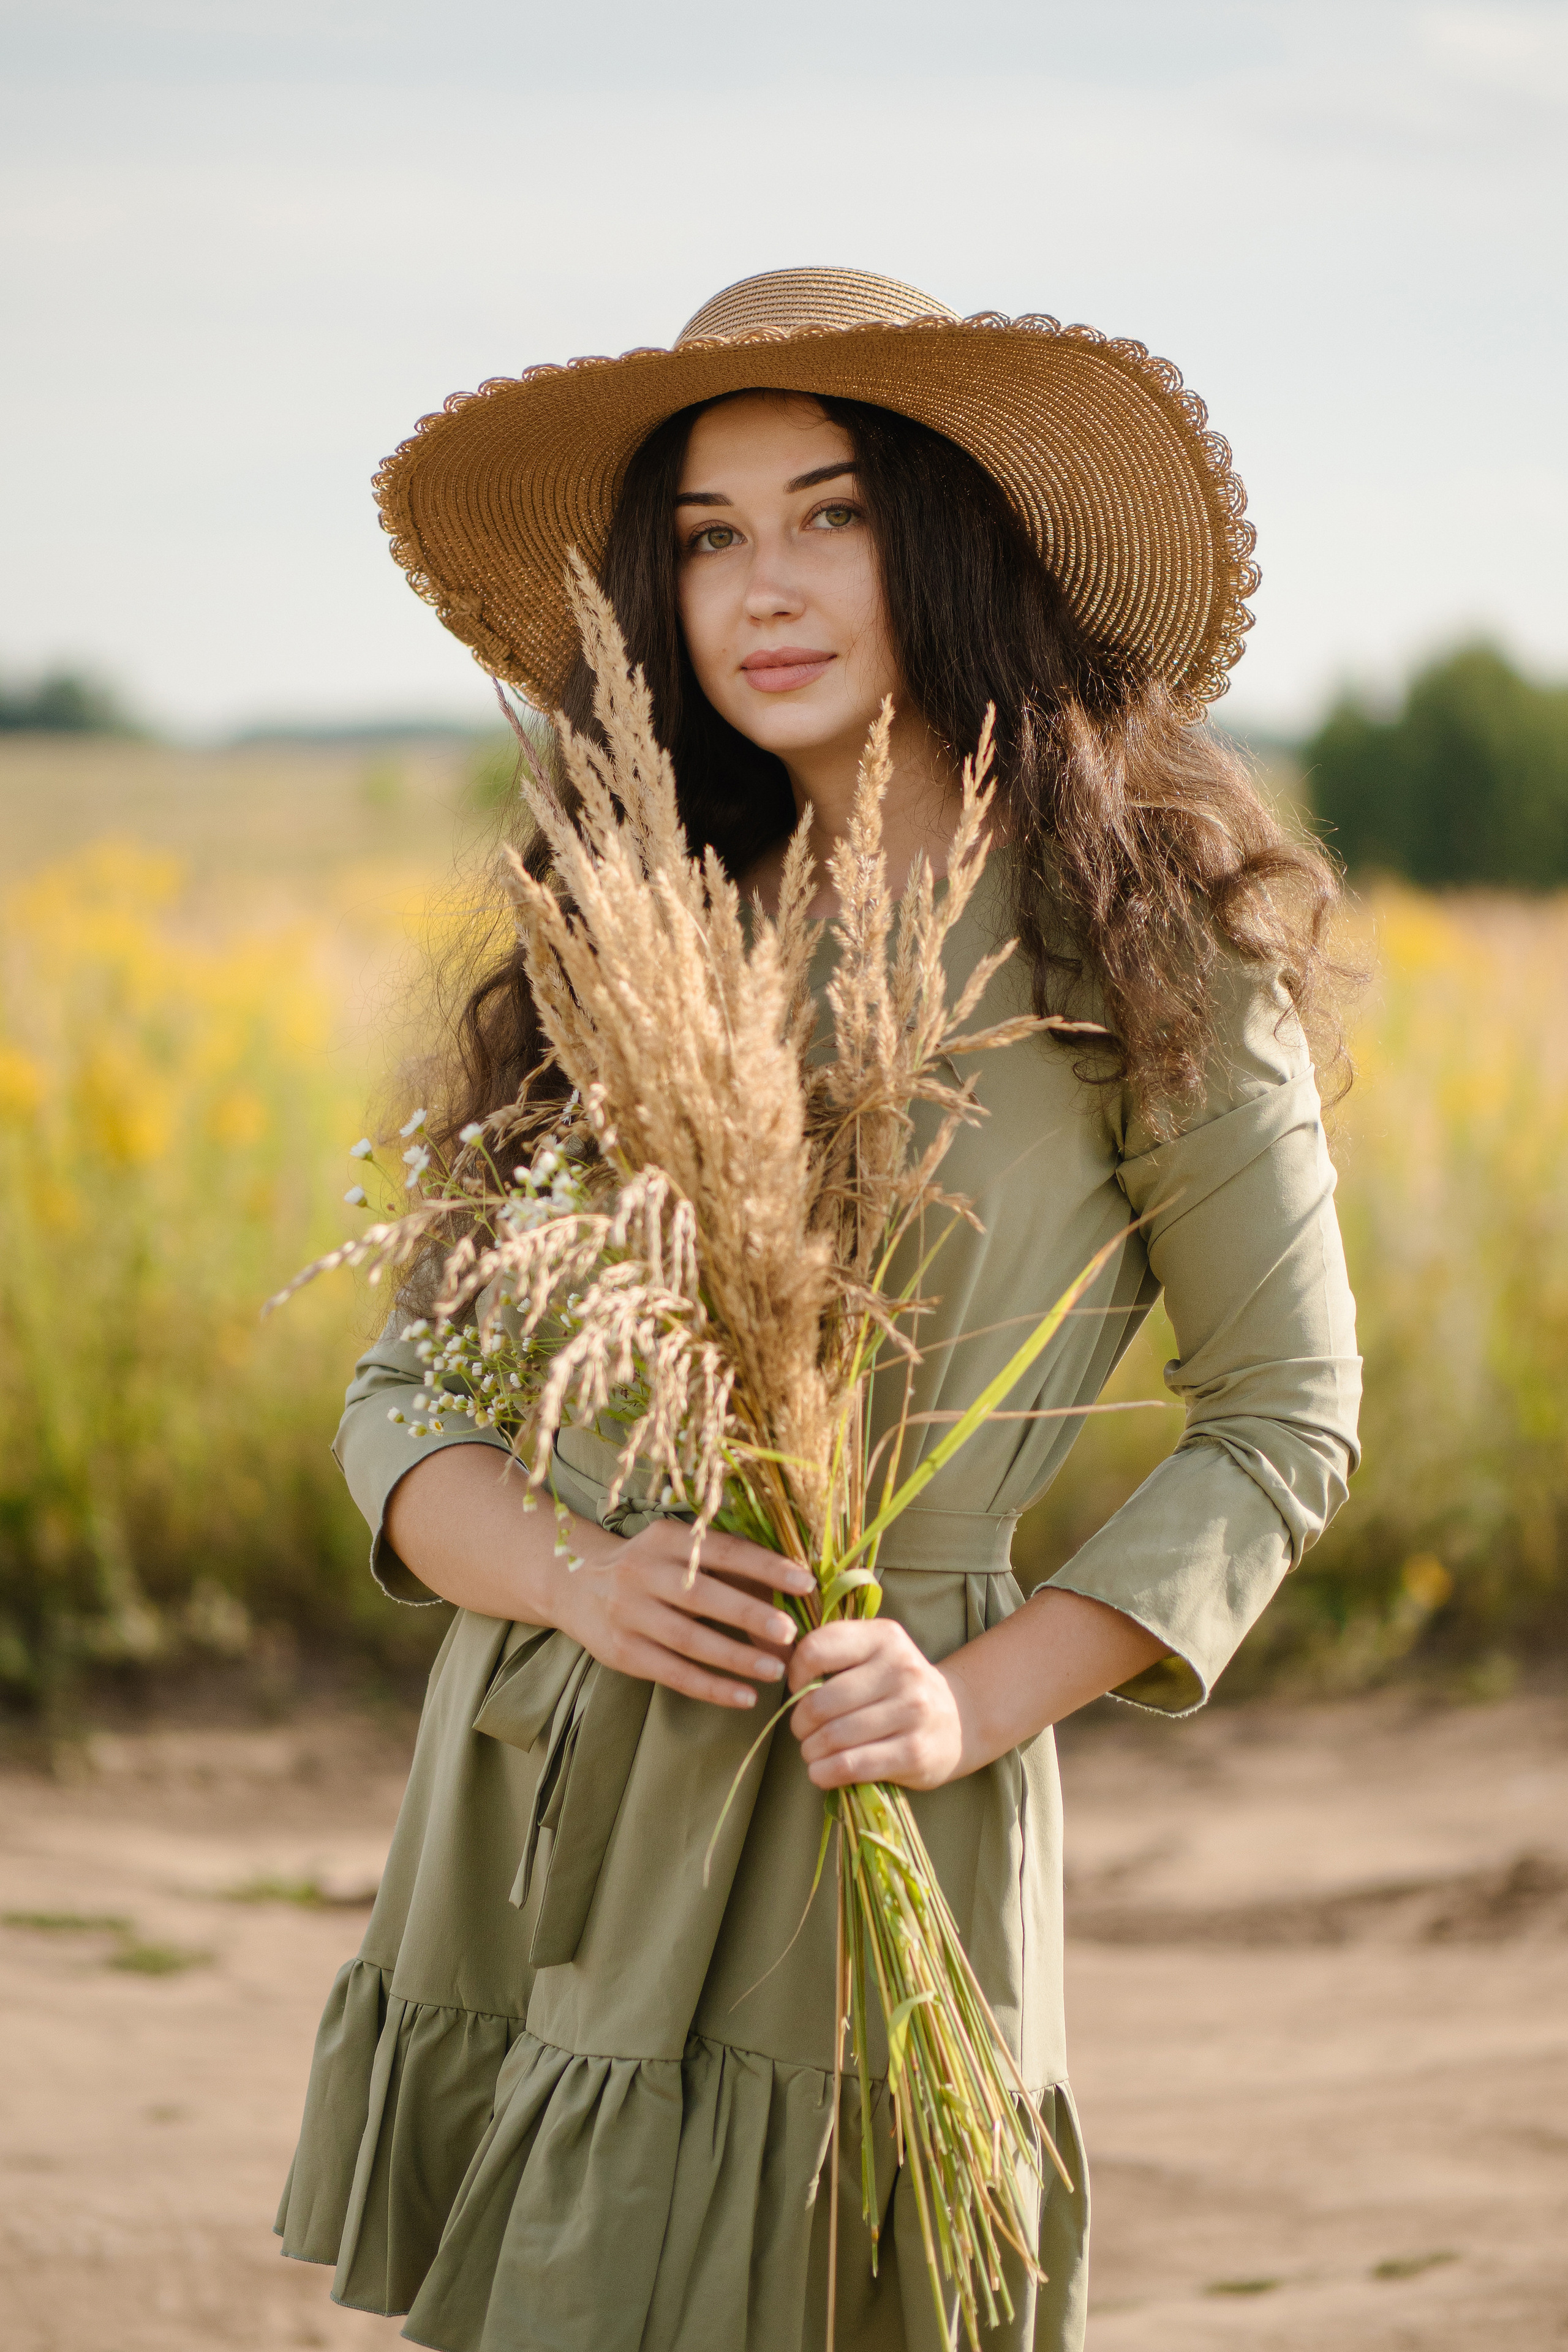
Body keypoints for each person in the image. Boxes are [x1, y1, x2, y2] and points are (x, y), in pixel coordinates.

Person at [277, 268, 1360, 2352]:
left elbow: (1282, 1420)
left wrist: (977, 1698)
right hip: (549, 1772)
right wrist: (574, 1576)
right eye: (707, 536)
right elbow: (405, 1389)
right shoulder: (629, 916)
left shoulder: (1151, 952)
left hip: (874, 1788)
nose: (760, 588)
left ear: (948, 542)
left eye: (829, 513)